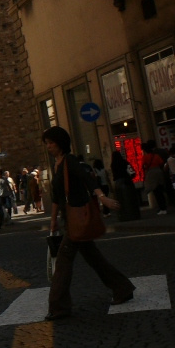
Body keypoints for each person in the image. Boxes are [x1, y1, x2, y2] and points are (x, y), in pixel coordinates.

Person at [43, 125, 133, 321]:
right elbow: (57, 197)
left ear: (60, 144)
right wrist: (53, 222)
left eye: (51, 143)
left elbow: (87, 179)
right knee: (94, 258)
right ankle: (122, 288)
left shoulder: (69, 161)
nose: (48, 146)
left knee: (63, 265)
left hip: (78, 219)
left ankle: (59, 307)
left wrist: (102, 198)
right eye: (47, 143)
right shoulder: (57, 165)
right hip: (71, 220)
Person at [142, 140, 169, 215]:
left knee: (156, 192)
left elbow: (144, 166)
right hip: (158, 173)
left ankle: (161, 208)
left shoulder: (145, 157)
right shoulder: (156, 156)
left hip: (151, 174)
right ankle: (164, 207)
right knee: (160, 190)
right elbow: (161, 163)